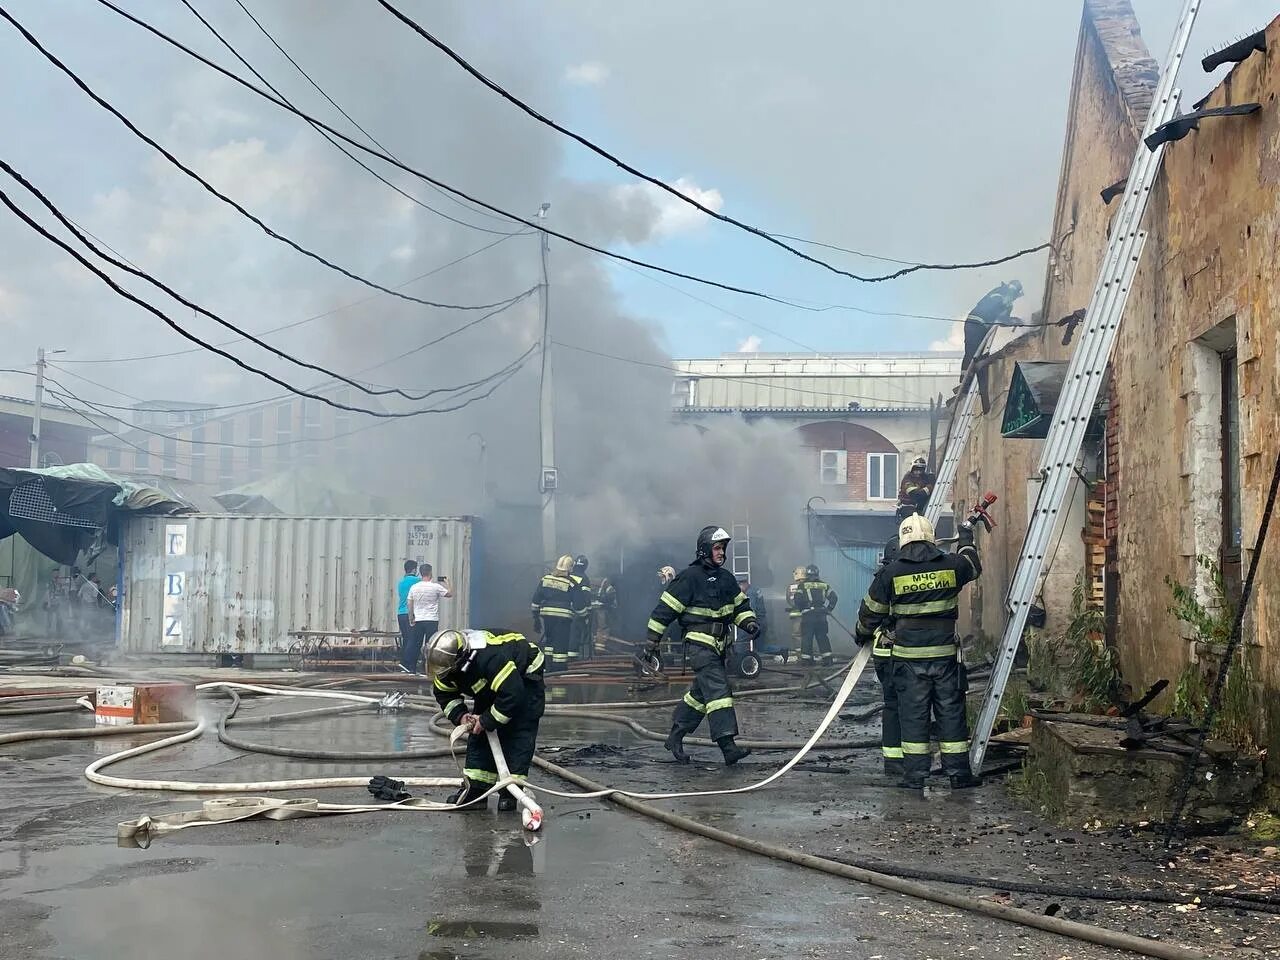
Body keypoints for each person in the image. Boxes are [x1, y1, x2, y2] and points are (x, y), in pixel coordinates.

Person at [854, 514, 983, 789]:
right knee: (951, 713)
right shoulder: (951, 565)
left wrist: (862, 634)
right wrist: (966, 540)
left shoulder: (891, 573)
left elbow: (870, 613)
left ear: (903, 540)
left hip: (909, 661)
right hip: (945, 658)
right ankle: (959, 775)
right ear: (931, 536)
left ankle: (915, 777)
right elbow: (972, 565)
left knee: (913, 715)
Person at [647, 525, 759, 766]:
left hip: (719, 646)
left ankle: (675, 736)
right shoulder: (690, 577)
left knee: (700, 695)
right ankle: (728, 747)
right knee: (719, 692)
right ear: (705, 550)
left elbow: (739, 606)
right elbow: (663, 611)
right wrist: (651, 642)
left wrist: (748, 622)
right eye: (717, 548)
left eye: (723, 548)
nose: (722, 553)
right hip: (700, 645)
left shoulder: (726, 578)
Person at [428, 628, 545, 810]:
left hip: (524, 674)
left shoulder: (489, 659)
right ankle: (476, 790)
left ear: (460, 660)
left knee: (517, 732)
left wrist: (487, 720)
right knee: (479, 736)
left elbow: (512, 694)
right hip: (493, 682)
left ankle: (510, 791)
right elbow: (444, 694)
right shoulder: (446, 668)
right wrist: (461, 716)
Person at [963, 280, 1023, 414]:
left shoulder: (1003, 298)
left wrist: (1014, 320)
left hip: (977, 327)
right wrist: (1015, 320)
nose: (1014, 297)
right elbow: (1001, 317)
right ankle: (966, 384)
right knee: (974, 356)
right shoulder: (1000, 294)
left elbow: (1002, 320)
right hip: (976, 325)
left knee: (978, 357)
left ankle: (982, 396)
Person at [531, 555, 585, 670]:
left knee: (549, 641)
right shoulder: (571, 583)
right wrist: (584, 615)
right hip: (563, 618)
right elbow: (579, 605)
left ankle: (548, 666)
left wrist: (536, 618)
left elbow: (535, 600)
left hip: (547, 616)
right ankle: (559, 669)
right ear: (570, 568)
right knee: (560, 643)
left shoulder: (545, 579)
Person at [403, 563, 452, 674]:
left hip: (418, 620)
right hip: (432, 620)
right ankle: (428, 669)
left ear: (420, 573)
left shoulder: (414, 587)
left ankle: (412, 668)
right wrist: (447, 583)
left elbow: (409, 603)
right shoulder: (436, 586)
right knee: (430, 645)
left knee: (416, 643)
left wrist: (411, 617)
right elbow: (450, 594)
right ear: (430, 573)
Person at [791, 564, 837, 665]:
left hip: (808, 616)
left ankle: (807, 660)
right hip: (821, 616)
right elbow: (834, 597)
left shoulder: (803, 585)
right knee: (822, 637)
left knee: (807, 637)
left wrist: (802, 609)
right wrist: (828, 609)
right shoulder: (824, 585)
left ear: (807, 574)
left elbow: (797, 599)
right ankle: (828, 659)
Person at [395, 560, 419, 660]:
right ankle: (408, 663)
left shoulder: (400, 582)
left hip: (400, 613)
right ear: (414, 569)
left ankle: (403, 661)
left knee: (406, 638)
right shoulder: (418, 581)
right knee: (412, 639)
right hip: (411, 613)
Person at [569, 555, 592, 659]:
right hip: (576, 611)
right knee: (574, 635)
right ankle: (573, 660)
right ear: (585, 566)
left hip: (564, 610)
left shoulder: (568, 575)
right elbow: (586, 597)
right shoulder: (584, 578)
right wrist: (587, 614)